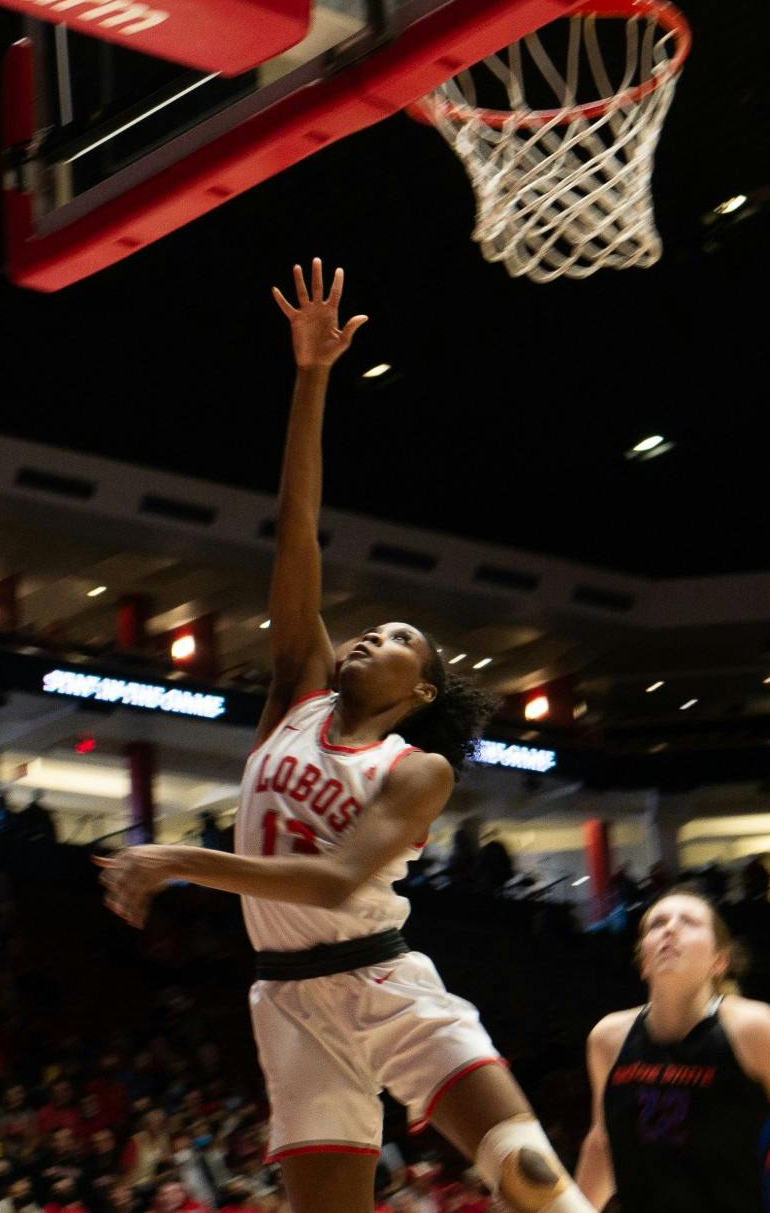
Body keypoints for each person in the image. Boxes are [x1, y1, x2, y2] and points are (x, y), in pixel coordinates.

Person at [98, 261, 597, 1213]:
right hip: (287, 999)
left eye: (402, 636)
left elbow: (333, 883)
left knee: (530, 1176)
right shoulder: (296, 693)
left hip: (383, 980)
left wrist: (178, 858)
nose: (374, 632)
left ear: (426, 688)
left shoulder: (418, 770)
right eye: (371, 627)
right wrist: (312, 375)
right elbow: (297, 531)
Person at [575, 888, 770, 1213]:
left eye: (689, 922)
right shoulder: (608, 1039)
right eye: (657, 923)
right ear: (643, 961)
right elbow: (603, 1145)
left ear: (719, 961)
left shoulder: (754, 1030)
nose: (670, 928)